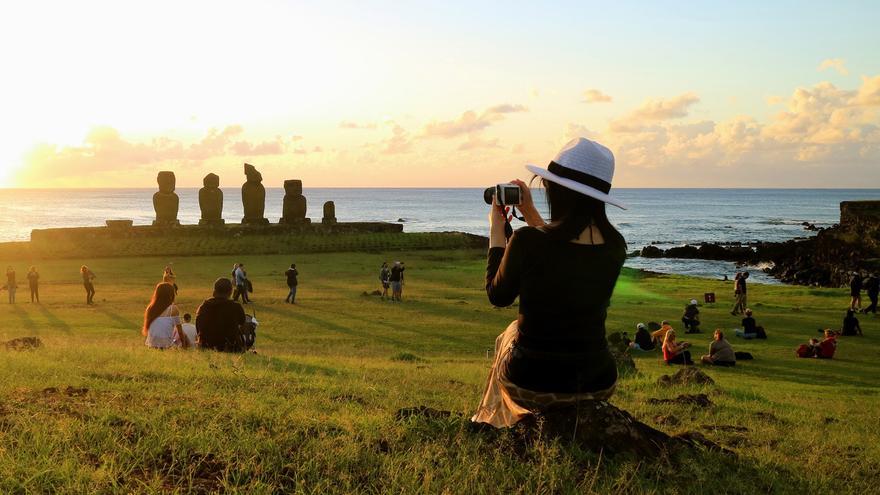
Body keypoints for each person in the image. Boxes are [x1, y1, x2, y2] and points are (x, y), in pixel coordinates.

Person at [472, 137, 627, 428]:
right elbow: (563, 256)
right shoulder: (616, 246)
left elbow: (498, 295)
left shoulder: (527, 241)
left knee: (511, 331)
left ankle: (489, 420)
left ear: (557, 191)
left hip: (531, 384)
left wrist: (496, 228)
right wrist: (529, 214)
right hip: (598, 383)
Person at [196, 278, 247, 352]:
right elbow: (242, 323)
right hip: (231, 347)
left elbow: (198, 326)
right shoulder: (235, 307)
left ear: (215, 290)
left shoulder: (204, 306)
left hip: (206, 347)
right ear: (230, 292)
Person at [142, 282, 189, 349]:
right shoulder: (173, 309)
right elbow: (180, 332)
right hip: (166, 345)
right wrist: (184, 345)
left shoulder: (150, 308)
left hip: (151, 344)